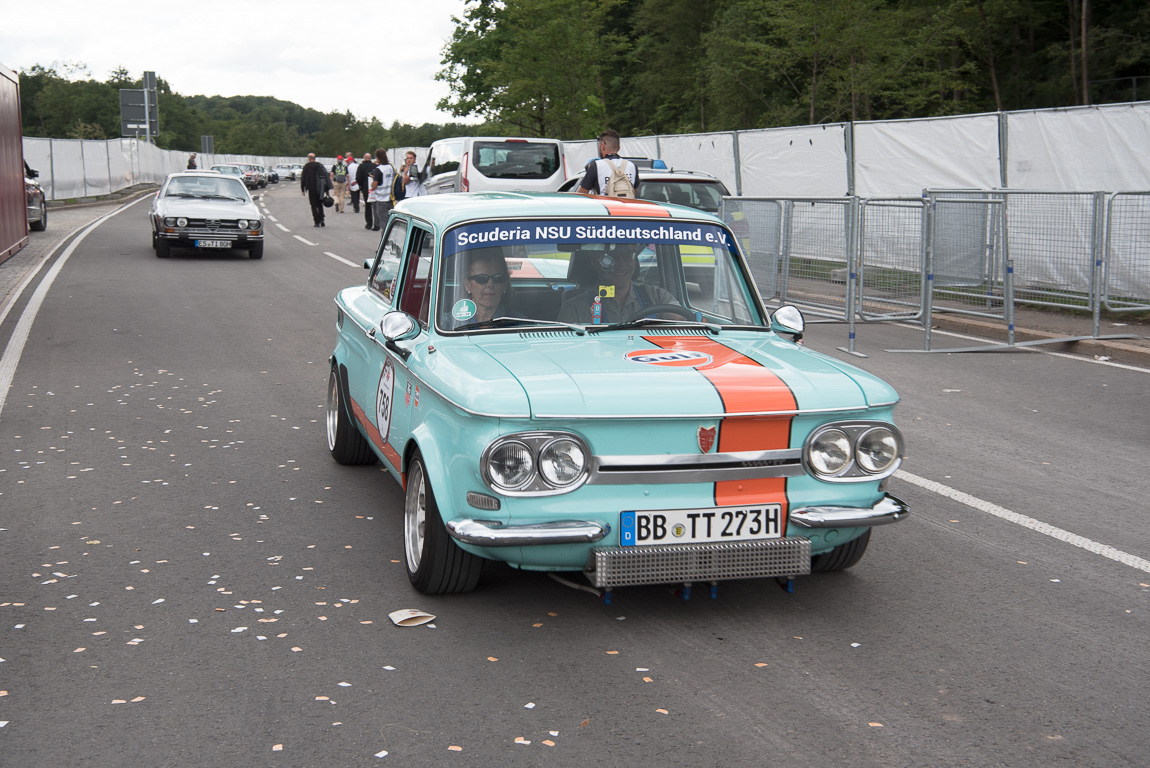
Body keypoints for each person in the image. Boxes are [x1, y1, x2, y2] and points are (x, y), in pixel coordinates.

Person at [557, 245, 682, 324]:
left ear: (634, 260)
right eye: (612, 258)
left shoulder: (657, 296)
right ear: (596, 262)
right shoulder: (575, 308)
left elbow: (682, 323)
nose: (621, 266)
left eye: (627, 257)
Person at [454, 251, 523, 328]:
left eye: (498, 278)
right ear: (467, 285)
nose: (490, 284)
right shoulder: (448, 323)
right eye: (482, 279)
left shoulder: (519, 323)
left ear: (505, 285)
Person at [576, 129, 639, 196]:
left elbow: (581, 194)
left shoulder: (596, 166)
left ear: (602, 147)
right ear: (618, 148)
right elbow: (634, 192)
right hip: (626, 206)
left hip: (604, 206)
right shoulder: (632, 166)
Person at [300, 152, 331, 227]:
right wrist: (327, 189)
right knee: (320, 204)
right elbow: (325, 177)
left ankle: (316, 221)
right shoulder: (320, 166)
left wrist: (302, 189)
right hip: (320, 188)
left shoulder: (306, 167)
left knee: (313, 205)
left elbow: (303, 178)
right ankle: (322, 219)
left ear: (309, 158)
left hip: (311, 188)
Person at [368, 149, 396, 232]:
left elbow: (374, 186)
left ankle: (385, 243)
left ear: (377, 158)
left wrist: (373, 179)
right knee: (391, 222)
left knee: (384, 225)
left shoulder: (378, 169)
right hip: (391, 198)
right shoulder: (391, 167)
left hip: (381, 199)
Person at [356, 152, 375, 230]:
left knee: (368, 206)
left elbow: (358, 177)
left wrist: (361, 186)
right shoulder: (374, 166)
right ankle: (377, 223)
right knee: (376, 206)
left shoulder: (361, 166)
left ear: (364, 158)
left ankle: (369, 223)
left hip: (365, 187)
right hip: (374, 187)